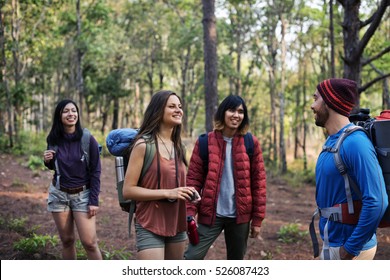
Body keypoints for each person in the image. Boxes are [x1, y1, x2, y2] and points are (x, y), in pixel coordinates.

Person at [310, 78, 388, 260]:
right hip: (333, 242)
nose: (313, 106)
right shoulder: (333, 141)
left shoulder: (355, 143)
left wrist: (351, 248)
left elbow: (378, 200)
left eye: (316, 99)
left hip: (351, 249)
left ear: (329, 102)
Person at [184, 95, 267, 260]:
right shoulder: (204, 142)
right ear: (223, 112)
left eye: (241, 111)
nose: (236, 115)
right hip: (211, 214)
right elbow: (193, 180)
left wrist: (257, 219)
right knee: (191, 258)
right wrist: (190, 211)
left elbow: (259, 184)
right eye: (232, 110)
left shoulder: (251, 143)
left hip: (240, 217)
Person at [122, 90, 199, 260]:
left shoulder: (179, 147)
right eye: (172, 106)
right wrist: (168, 192)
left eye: (180, 106)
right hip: (150, 222)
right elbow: (128, 190)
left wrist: (188, 192)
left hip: (177, 223)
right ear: (158, 111)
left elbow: (173, 182)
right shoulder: (143, 145)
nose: (178, 110)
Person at [43, 99, 102, 260]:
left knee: (90, 243)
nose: (71, 114)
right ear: (59, 115)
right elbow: (56, 167)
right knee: (67, 241)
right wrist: (47, 161)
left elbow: (96, 171)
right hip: (59, 195)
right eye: (66, 111)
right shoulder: (53, 138)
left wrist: (93, 200)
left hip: (82, 195)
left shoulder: (87, 138)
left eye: (74, 111)